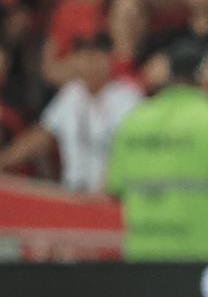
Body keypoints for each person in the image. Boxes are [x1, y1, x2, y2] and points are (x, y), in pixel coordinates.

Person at [107, 39, 208, 261]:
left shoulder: (133, 121)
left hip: (143, 257)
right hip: (205, 258)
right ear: (205, 73)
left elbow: (115, 188)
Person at [0, 33, 142, 192]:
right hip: (72, 192)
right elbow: (42, 135)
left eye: (92, 57)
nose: (86, 64)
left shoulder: (128, 98)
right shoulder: (72, 93)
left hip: (108, 197)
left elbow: (136, 152)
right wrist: (4, 160)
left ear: (107, 59)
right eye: (82, 57)